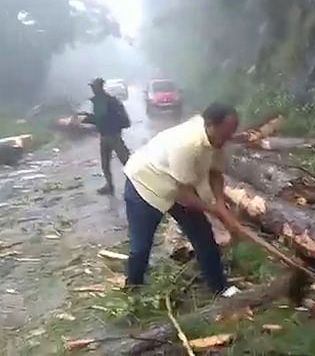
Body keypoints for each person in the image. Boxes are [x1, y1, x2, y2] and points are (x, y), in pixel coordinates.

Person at [123, 102, 240, 296]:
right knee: (141, 247)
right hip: (144, 185)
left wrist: (220, 203)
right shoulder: (187, 144)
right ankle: (132, 290)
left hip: (175, 184)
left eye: (230, 134)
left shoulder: (216, 140)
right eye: (225, 133)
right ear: (210, 124)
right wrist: (216, 211)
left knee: (203, 237)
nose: (227, 139)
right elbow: (185, 195)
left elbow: (215, 173)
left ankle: (219, 286)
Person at [75, 77, 131, 195]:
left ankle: (137, 184)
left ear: (99, 87)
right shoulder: (103, 100)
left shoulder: (106, 101)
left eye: (93, 87)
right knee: (105, 163)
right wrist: (86, 116)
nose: (92, 89)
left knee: (126, 161)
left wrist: (86, 119)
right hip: (105, 135)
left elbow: (100, 118)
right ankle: (109, 185)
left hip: (113, 135)